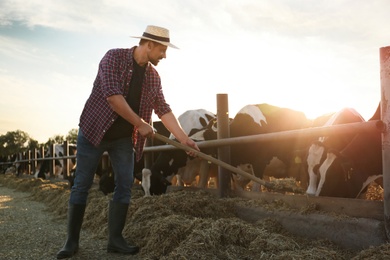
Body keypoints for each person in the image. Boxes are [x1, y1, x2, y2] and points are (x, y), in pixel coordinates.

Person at [56, 25, 200, 259]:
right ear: (149, 45)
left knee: (124, 184)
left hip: (123, 138)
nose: (165, 55)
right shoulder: (113, 58)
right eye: (163, 49)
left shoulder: (153, 76)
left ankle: (115, 240)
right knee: (81, 184)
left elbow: (163, 109)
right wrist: (142, 123)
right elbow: (113, 98)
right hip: (94, 132)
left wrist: (185, 140)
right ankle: (71, 242)